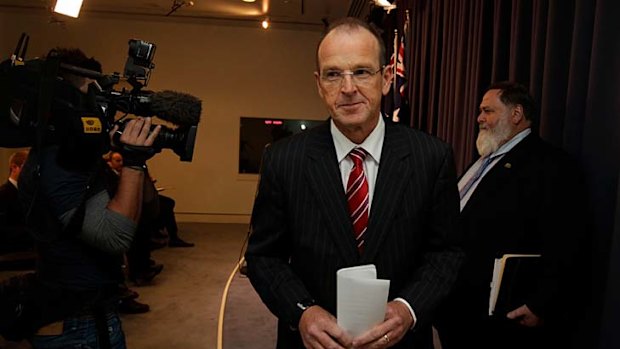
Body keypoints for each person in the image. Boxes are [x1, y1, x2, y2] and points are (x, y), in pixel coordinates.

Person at [245, 17, 463, 349]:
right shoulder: (283, 159)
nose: (348, 88)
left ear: (387, 78)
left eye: (361, 71)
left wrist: (408, 309)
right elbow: (264, 257)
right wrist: (302, 312)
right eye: (334, 74)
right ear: (319, 84)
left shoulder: (431, 157)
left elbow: (445, 253)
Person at [18, 48, 161, 348]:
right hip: (76, 327)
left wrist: (137, 158)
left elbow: (144, 210)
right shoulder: (59, 161)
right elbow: (115, 236)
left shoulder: (74, 155)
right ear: (65, 101)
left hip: (90, 316)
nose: (98, 107)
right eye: (89, 96)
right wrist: (132, 163)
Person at [434, 82, 587, 349]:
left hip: (499, 319)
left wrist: (541, 303)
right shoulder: (483, 159)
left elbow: (565, 241)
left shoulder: (551, 165)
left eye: (488, 111)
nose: (479, 118)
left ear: (516, 114)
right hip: (458, 306)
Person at [0, 150, 33, 255]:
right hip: (11, 252)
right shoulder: (2, 194)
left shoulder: (31, 193)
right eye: (27, 167)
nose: (31, 172)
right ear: (14, 167)